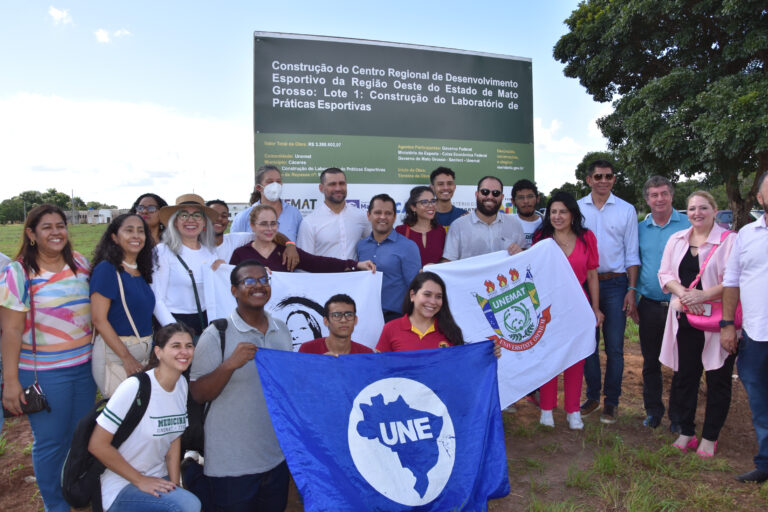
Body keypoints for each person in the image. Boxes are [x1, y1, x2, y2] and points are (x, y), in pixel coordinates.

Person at [0, 204, 96, 512]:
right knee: (52, 441)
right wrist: (11, 382)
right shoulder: (17, 273)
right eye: (47, 227)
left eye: (60, 225)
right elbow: (11, 332)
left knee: (79, 436)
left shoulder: (80, 263)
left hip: (84, 368)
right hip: (44, 373)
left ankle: (75, 495)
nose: (56, 232)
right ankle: (56, 505)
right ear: (31, 234)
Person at [188, 261, 292, 511]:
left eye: (263, 280)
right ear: (234, 290)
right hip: (230, 465)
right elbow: (198, 394)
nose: (258, 286)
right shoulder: (216, 334)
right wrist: (229, 365)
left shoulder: (281, 330)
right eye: (249, 281)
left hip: (275, 458)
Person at [88, 322, 200, 512]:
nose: (184, 351)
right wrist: (140, 480)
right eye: (176, 346)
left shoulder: (181, 384)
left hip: (158, 478)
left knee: (183, 501)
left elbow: (174, 440)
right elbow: (97, 445)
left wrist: (175, 486)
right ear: (158, 352)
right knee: (190, 505)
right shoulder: (134, 387)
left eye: (189, 346)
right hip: (121, 484)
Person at [658, 191, 736, 458]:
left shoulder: (729, 241)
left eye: (703, 208)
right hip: (686, 317)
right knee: (685, 376)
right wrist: (683, 293)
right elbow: (664, 273)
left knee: (718, 378)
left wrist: (704, 295)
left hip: (718, 320)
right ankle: (687, 430)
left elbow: (734, 280)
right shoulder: (677, 239)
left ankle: (710, 437)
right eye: (692, 209)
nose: (697, 213)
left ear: (715, 210)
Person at [532, 192, 602, 430]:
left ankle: (573, 410)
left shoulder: (586, 237)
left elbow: (592, 274)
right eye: (553, 211)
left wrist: (595, 309)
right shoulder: (541, 237)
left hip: (578, 305)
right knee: (550, 357)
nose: (557, 216)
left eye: (563, 211)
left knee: (576, 357)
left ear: (572, 214)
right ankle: (547, 409)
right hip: (548, 306)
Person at [577, 160, 640, 424]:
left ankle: (611, 402)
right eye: (598, 176)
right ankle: (592, 395)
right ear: (589, 180)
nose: (604, 180)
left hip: (616, 284)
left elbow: (632, 253)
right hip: (583, 285)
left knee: (614, 348)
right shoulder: (577, 209)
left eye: (609, 176)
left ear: (614, 179)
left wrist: (631, 289)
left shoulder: (626, 210)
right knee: (587, 345)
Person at [721, 170, 768, 482]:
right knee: (760, 403)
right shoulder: (746, 236)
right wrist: (727, 324)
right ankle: (766, 463)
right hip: (756, 335)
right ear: (761, 197)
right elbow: (732, 281)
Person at [634, 176, 690, 430]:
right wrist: (633, 298)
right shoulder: (640, 229)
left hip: (682, 306)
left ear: (671, 196)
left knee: (683, 362)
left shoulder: (689, 224)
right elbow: (633, 264)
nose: (659, 199)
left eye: (664, 193)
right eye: (654, 195)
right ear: (647, 199)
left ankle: (679, 418)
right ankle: (653, 412)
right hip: (650, 306)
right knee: (650, 362)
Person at [90, 214, 156, 397]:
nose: (136, 236)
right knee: (121, 417)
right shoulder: (107, 269)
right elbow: (99, 319)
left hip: (141, 353)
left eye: (141, 231)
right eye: (129, 230)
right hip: (116, 355)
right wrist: (126, 358)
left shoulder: (140, 271)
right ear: (114, 237)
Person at [229, 204, 375, 274]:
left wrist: (356, 265)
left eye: (273, 223)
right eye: (263, 224)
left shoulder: (287, 252)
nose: (269, 228)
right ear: (252, 225)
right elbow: (229, 282)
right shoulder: (241, 254)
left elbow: (320, 263)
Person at [152, 194, 220, 337]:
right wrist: (175, 331)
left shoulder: (211, 253)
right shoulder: (163, 252)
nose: (191, 220)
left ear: (204, 223)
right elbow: (157, 299)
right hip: (174, 323)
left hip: (206, 324)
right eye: (184, 215)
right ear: (175, 222)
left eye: (197, 215)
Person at [357, 194, 421, 322]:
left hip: (396, 317)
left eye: (388, 213)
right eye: (377, 212)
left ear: (394, 217)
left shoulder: (408, 247)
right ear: (368, 215)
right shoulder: (361, 246)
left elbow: (415, 286)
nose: (382, 217)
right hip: (365, 316)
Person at [442, 176, 525, 261]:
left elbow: (525, 259)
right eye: (485, 192)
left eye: (496, 193)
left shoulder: (515, 224)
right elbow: (448, 263)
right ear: (477, 194)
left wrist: (521, 252)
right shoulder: (458, 227)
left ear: (502, 197)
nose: (490, 196)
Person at [377, 272, 464, 352]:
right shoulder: (390, 329)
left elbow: (458, 366)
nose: (433, 302)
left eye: (438, 296)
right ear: (412, 295)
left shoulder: (451, 331)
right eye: (427, 294)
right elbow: (379, 365)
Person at [297, 167, 371, 259]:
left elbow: (375, 244)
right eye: (332, 184)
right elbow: (305, 261)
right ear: (321, 188)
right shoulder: (309, 222)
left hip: (355, 273)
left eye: (342, 183)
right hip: (323, 273)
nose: (338, 188)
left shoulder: (361, 217)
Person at [208, 199, 299, 271]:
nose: (219, 219)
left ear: (228, 221)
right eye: (213, 215)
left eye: (224, 216)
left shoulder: (236, 240)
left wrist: (290, 245)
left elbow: (270, 233)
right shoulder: (197, 247)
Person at [230, 165, 303, 241]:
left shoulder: (294, 214)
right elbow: (235, 246)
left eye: (278, 181)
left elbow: (300, 246)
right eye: (270, 182)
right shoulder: (243, 217)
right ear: (259, 187)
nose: (275, 185)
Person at [299, 294, 374, 355]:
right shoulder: (308, 350)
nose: (344, 320)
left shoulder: (366, 354)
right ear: (326, 321)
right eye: (336, 315)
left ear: (355, 320)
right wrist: (320, 363)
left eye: (349, 315)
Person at [395, 186, 446, 266]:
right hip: (410, 278)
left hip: (434, 278)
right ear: (413, 207)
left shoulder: (440, 231)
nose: (430, 205)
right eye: (424, 202)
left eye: (433, 201)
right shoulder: (400, 231)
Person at [511, 179, 542, 249]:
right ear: (513, 201)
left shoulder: (546, 224)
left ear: (538, 198)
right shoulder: (507, 223)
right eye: (520, 197)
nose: (526, 201)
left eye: (530, 196)